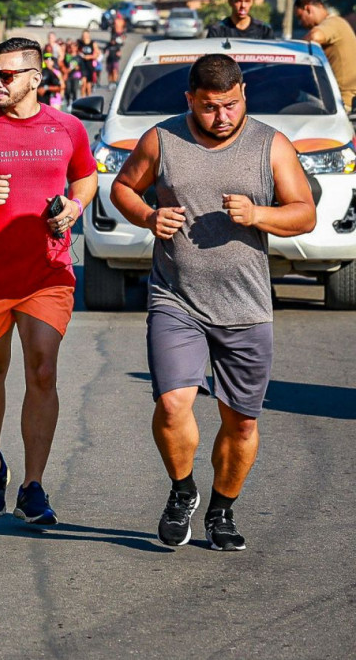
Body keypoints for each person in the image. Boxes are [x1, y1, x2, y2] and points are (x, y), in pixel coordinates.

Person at [110, 54, 315, 550]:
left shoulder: (270, 144)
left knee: (241, 422)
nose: (222, 116)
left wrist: (259, 214)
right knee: (171, 404)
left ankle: (222, 509)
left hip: (246, 306)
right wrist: (147, 216)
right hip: (176, 297)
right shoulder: (162, 139)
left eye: (231, 105)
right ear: (190, 100)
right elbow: (122, 188)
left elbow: (304, 213)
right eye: (209, 107)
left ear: (243, 93)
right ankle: (183, 491)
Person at [0, 38, 98, 526]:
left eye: (6, 75)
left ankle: (33, 485)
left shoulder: (66, 127)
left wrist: (75, 206)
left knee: (42, 370)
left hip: (47, 272)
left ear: (35, 78)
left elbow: (86, 176)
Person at [294, 0, 356, 111]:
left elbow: (315, 36)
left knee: (285, 113)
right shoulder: (336, 23)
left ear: (308, 9)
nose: (301, 23)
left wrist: (291, 48)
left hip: (344, 103)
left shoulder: (334, 22)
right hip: (342, 101)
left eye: (300, 17)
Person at [206, 0, 277, 40]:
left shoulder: (264, 30)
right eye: (238, 1)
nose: (243, 5)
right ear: (230, 2)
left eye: (247, 1)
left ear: (252, 2)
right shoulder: (217, 31)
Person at [76, 30, 100, 98]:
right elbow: (76, 51)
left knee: (88, 85)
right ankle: (82, 99)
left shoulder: (93, 43)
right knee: (83, 83)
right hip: (82, 65)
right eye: (84, 35)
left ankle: (88, 98)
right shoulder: (80, 43)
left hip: (90, 65)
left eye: (86, 35)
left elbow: (97, 54)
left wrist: (89, 57)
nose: (85, 37)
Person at [61, 39, 83, 108]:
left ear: (76, 48)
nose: (72, 48)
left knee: (74, 90)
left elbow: (82, 66)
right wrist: (65, 71)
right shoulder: (67, 56)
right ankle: (68, 102)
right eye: (71, 47)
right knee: (67, 89)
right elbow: (63, 64)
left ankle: (74, 103)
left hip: (76, 76)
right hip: (68, 75)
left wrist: (78, 68)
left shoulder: (79, 57)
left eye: (74, 47)